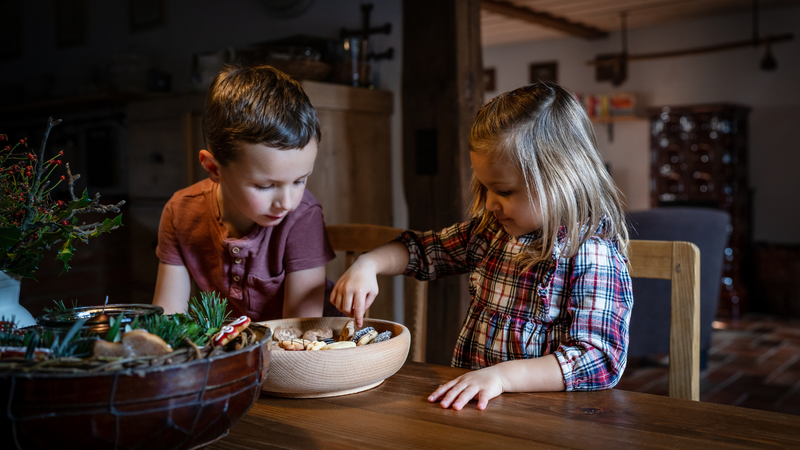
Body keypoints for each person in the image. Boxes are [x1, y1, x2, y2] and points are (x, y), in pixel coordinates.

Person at [331, 82, 634, 410]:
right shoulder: (491, 233)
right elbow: (422, 251)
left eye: (504, 191)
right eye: (486, 188)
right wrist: (368, 264)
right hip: (478, 411)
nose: (490, 204)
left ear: (564, 179)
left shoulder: (591, 254)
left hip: (544, 423)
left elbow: (598, 359)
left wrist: (501, 377)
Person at [153, 65, 335, 321]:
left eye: (300, 180)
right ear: (213, 168)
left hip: (305, 351)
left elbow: (299, 337)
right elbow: (168, 319)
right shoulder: (180, 212)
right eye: (265, 186)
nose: (288, 203)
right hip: (239, 348)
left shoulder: (303, 217)